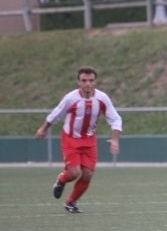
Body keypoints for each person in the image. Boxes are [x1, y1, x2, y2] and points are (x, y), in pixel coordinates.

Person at [34, 67, 123, 214]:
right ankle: (61, 180)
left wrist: (115, 140)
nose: (88, 83)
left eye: (91, 80)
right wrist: (43, 129)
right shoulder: (71, 98)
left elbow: (115, 119)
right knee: (74, 173)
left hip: (89, 140)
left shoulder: (102, 98)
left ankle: (71, 203)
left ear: (95, 82)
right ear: (78, 82)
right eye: (84, 80)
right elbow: (56, 114)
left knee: (88, 174)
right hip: (71, 139)